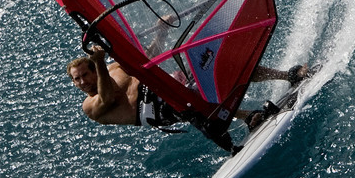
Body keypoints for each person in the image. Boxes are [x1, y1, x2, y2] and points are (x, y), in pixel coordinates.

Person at [66, 43, 307, 132]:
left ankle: (287, 75)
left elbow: (145, 57)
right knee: (190, 99)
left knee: (221, 66)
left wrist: (161, 30)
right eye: (76, 79)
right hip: (155, 109)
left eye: (84, 75)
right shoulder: (89, 106)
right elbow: (108, 97)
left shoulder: (112, 67)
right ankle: (248, 117)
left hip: (165, 83)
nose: (82, 82)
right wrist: (99, 62)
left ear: (93, 70)